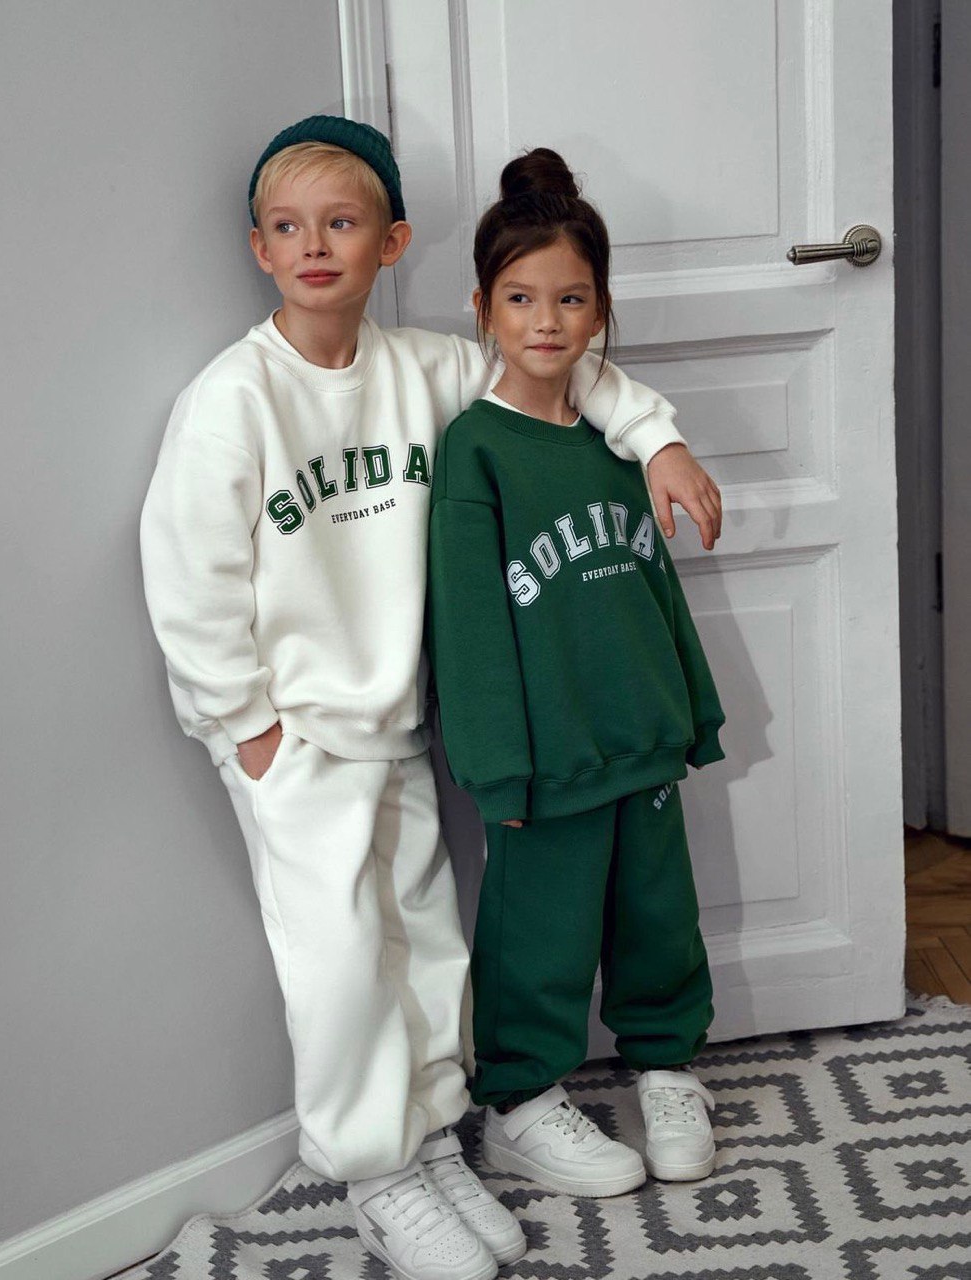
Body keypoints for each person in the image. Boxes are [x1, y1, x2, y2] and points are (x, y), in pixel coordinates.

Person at [140, 116, 722, 1280]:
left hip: (402, 721)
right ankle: (375, 1175)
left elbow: (555, 365)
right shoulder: (233, 399)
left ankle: (435, 1138)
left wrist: (657, 441)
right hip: (297, 734)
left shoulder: (426, 367)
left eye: (342, 224)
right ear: (261, 248)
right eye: (290, 227)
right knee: (342, 963)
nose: (316, 246)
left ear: (392, 242)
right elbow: (187, 571)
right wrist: (245, 726)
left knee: (424, 942)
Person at [427, 147, 725, 1201]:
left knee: (658, 916)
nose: (546, 320)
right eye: (520, 297)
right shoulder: (476, 450)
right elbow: (468, 626)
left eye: (570, 298)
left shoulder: (620, 441)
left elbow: (653, 587)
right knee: (538, 936)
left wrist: (692, 708)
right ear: (483, 308)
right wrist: (494, 765)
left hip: (640, 733)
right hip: (547, 760)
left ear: (600, 311)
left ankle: (666, 1066)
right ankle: (520, 1101)